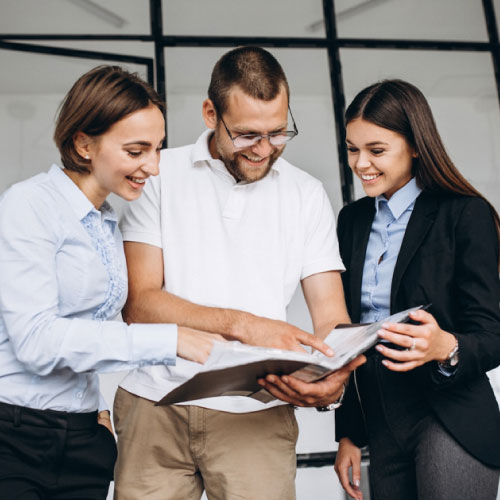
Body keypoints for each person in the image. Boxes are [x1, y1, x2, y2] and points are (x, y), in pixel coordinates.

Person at [112, 46, 360, 500]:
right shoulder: (156, 173)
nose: (264, 149)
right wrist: (247, 327)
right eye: (247, 135)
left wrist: (333, 375)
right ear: (211, 113)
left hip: (258, 414)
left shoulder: (306, 194)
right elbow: (140, 303)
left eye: (278, 132)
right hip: (154, 405)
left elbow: (330, 315)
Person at [0, 65, 219, 500]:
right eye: (137, 151)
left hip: (83, 437)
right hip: (15, 436)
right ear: (83, 144)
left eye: (157, 149)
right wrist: (169, 339)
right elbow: (37, 341)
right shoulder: (27, 206)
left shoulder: (106, 221)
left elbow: (87, 328)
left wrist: (92, 410)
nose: (153, 167)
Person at [329, 79, 500, 500]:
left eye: (377, 150)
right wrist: (349, 432)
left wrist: (446, 345)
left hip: (449, 416)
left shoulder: (463, 214)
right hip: (383, 421)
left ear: (416, 146)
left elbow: (493, 334)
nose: (361, 163)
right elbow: (350, 332)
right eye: (353, 149)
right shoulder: (351, 221)